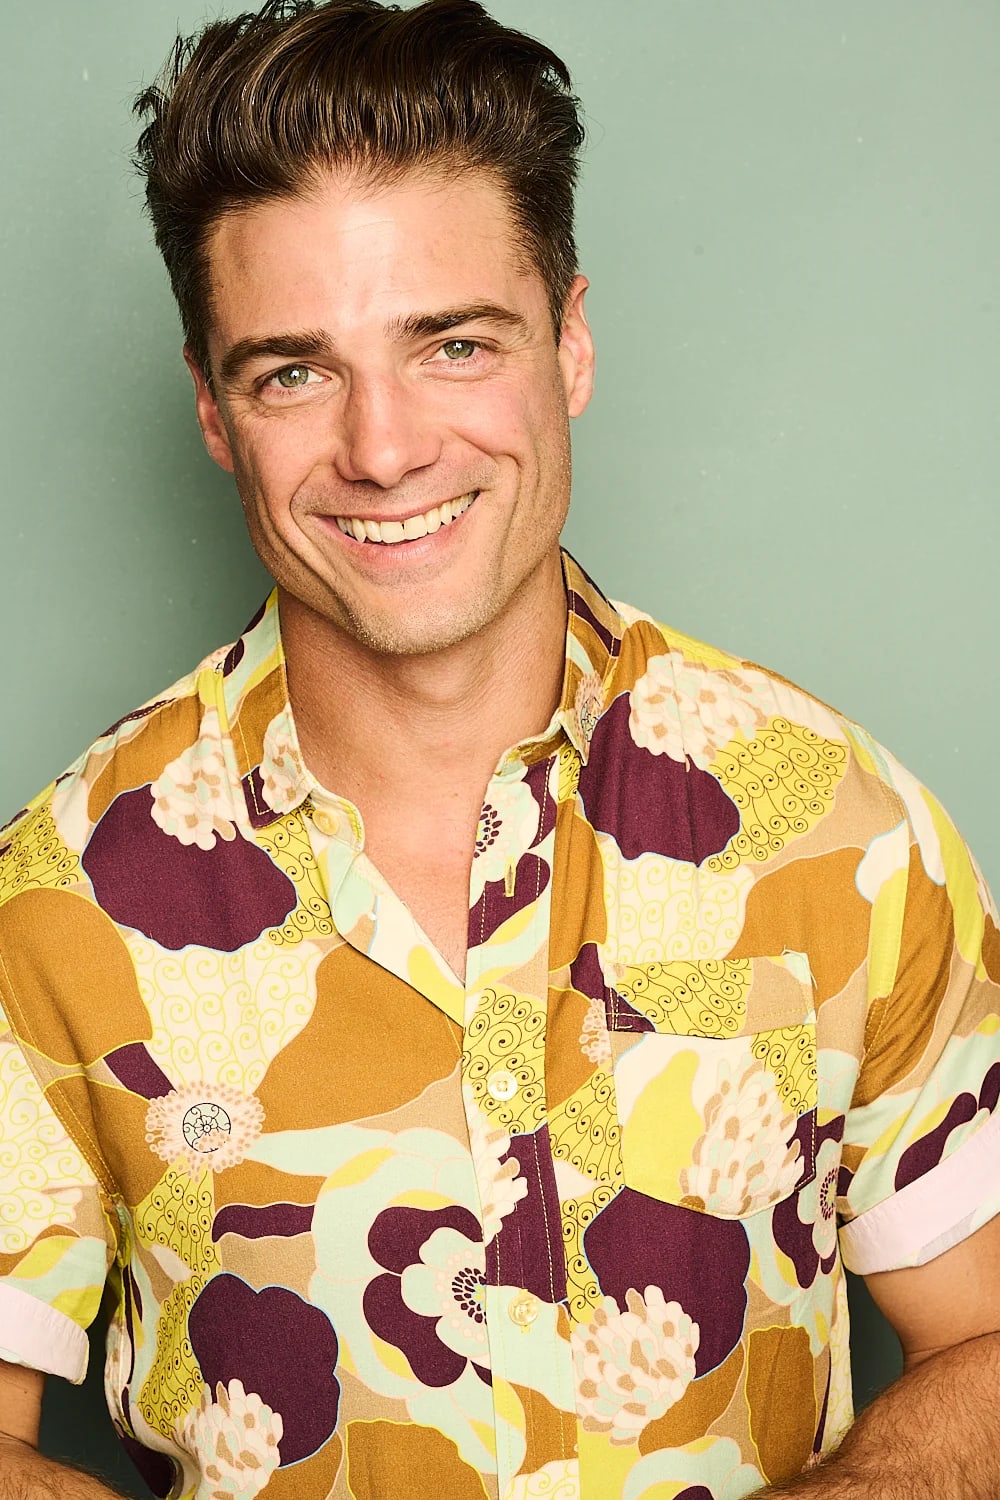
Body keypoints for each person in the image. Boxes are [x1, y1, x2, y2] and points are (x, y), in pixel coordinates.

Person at [1, 0, 999, 1495]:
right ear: (213, 408)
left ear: (570, 341)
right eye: (293, 372)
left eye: (454, 345)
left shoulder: (836, 824)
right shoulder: (58, 896)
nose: (384, 448)